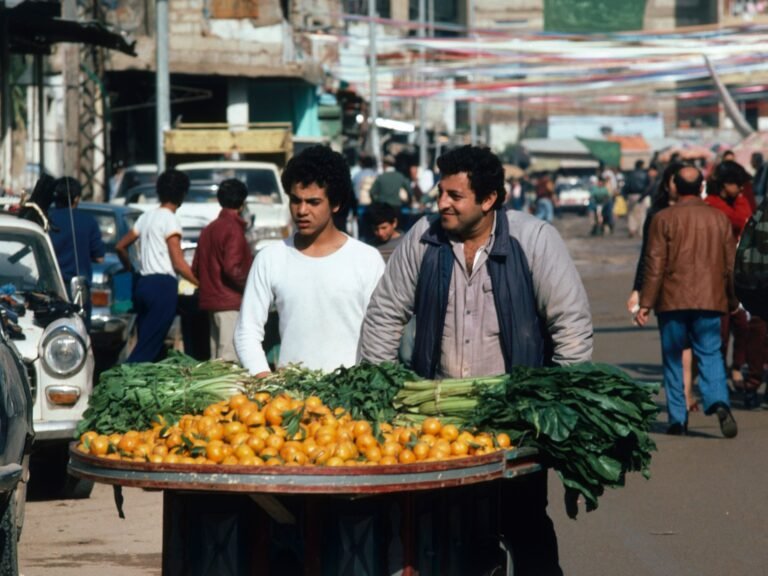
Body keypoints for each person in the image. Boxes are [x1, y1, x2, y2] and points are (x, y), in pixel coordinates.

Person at [359, 145, 593, 576]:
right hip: (438, 425)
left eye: (454, 195)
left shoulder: (534, 239)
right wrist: (376, 395)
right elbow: (384, 316)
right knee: (450, 533)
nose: (441, 203)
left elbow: (571, 329)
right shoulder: (422, 239)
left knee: (524, 525)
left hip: (515, 424)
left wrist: (555, 411)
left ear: (489, 200)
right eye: (440, 192)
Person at [234, 145, 385, 376]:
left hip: (351, 398)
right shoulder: (270, 258)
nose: (302, 210)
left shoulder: (366, 259)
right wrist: (266, 381)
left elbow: (382, 332)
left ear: (335, 204)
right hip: (289, 403)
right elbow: (246, 332)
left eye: (313, 202)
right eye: (296, 200)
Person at [636, 165, 739, 438]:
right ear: (701, 187)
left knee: (672, 358)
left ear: (674, 187)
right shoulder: (719, 219)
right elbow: (731, 265)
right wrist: (732, 299)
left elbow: (654, 264)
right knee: (710, 353)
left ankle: (677, 419)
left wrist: (645, 303)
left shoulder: (663, 218)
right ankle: (718, 400)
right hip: (710, 297)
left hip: (672, 299)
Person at [627, 162, 698, 410]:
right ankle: (683, 396)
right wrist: (638, 290)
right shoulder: (656, 214)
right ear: (668, 184)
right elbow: (646, 256)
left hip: (697, 285)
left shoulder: (701, 211)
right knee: (677, 345)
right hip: (666, 288)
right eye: (673, 180)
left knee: (691, 345)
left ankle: (685, 392)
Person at [116, 169, 199, 363]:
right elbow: (178, 263)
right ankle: (124, 377)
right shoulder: (170, 220)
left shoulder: (146, 217)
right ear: (182, 195)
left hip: (143, 284)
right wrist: (200, 282)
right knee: (148, 348)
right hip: (162, 287)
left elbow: (120, 246)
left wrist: (131, 267)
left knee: (149, 340)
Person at [706, 160, 766, 409]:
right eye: (737, 186)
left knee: (748, 329)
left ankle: (744, 378)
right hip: (726, 275)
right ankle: (743, 380)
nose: (741, 191)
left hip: (747, 277)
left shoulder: (756, 209)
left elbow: (744, 219)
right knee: (733, 331)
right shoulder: (712, 207)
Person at [192, 179, 254, 362]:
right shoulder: (233, 230)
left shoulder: (208, 229)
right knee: (229, 362)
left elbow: (196, 267)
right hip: (229, 303)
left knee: (216, 361)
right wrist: (252, 286)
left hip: (211, 302)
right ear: (242, 204)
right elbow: (233, 268)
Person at [48, 177, 105, 330]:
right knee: (80, 333)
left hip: (50, 289)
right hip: (78, 290)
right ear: (76, 198)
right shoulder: (88, 221)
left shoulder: (47, 219)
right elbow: (99, 257)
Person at [624, 159, 651, 238]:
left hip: (631, 195)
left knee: (631, 214)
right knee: (642, 214)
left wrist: (625, 196)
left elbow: (626, 186)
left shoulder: (630, 174)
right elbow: (649, 186)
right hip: (642, 195)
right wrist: (644, 195)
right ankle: (641, 231)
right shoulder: (645, 174)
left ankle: (632, 229)